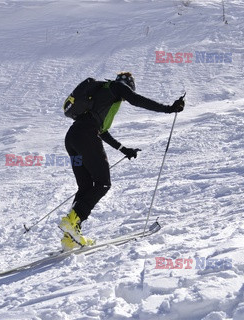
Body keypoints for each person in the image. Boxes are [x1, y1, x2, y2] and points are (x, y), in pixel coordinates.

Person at [59, 72, 185, 251]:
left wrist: (123, 149)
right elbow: (136, 100)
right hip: (85, 136)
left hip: (72, 139)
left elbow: (102, 132)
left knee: (86, 187)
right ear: (127, 85)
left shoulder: (101, 97)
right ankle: (72, 222)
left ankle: (69, 238)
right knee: (102, 183)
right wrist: (168, 109)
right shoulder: (116, 87)